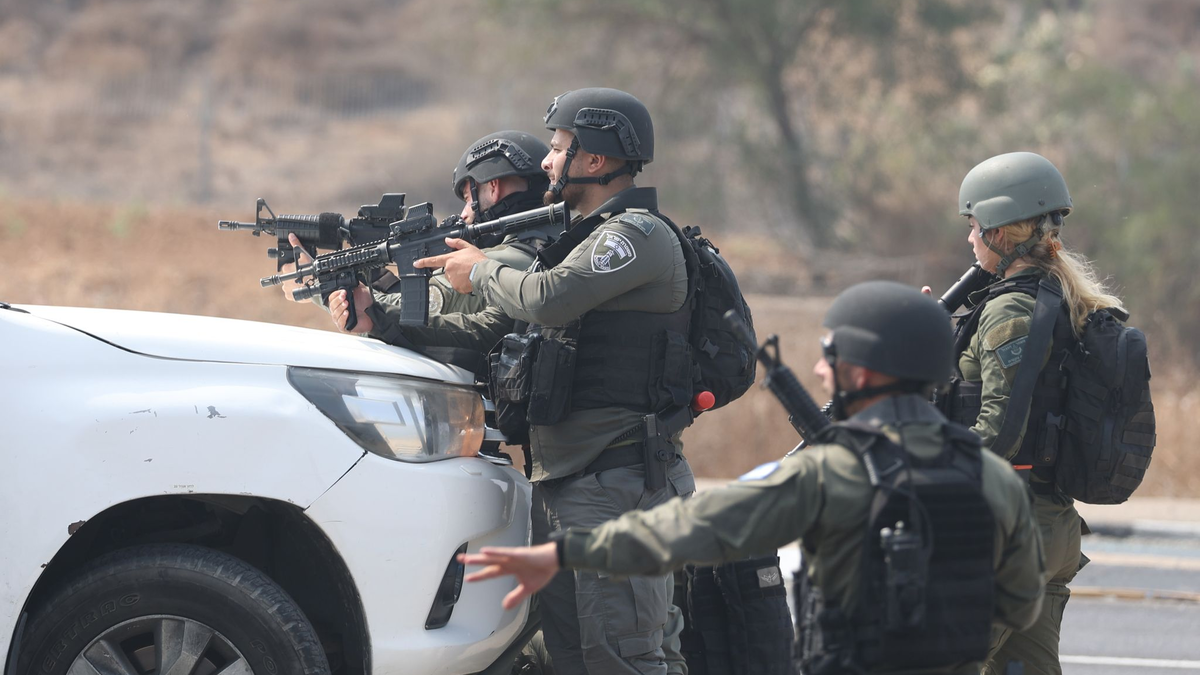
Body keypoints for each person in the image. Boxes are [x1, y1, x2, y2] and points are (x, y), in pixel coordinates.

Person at [459, 281, 1047, 675]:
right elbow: (1020, 606)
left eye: (829, 355)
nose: (819, 369)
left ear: (863, 370)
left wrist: (565, 554)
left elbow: (692, 530)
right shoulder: (991, 475)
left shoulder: (831, 472)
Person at [344, 88, 697, 675]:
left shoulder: (635, 234)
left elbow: (547, 298)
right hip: (575, 481)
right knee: (573, 657)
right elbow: (494, 325)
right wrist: (382, 316)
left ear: (596, 159)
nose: (547, 163)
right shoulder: (582, 235)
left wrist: (478, 270)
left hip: (623, 482)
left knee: (625, 659)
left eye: (559, 150)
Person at [934, 151, 1126, 675]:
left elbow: (999, 431)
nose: (970, 239)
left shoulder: (1010, 313)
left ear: (1000, 231)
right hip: (1044, 526)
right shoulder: (1057, 299)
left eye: (974, 227)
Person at [280, 129, 553, 325]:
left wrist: (318, 286)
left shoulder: (507, 260)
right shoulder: (543, 244)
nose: (463, 214)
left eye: (469, 199)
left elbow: (418, 313)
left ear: (493, 188)